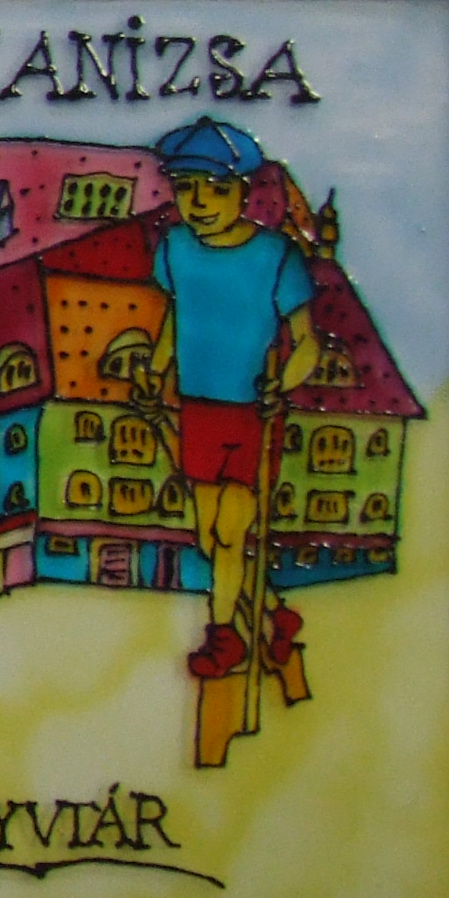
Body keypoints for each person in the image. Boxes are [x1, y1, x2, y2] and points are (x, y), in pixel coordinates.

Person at [143, 117, 322, 680]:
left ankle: (224, 638)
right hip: (196, 407)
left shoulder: (276, 256)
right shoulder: (175, 248)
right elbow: (176, 318)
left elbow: (307, 343)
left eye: (215, 190)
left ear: (243, 192)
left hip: (250, 412)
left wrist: (283, 383)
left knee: (229, 535)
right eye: (186, 188)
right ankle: (275, 615)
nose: (199, 203)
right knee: (207, 535)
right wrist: (155, 370)